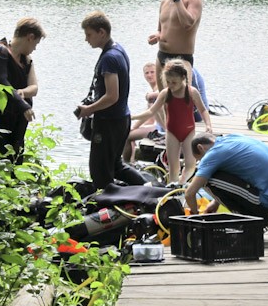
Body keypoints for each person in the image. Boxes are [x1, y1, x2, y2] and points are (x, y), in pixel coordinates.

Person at [74, 10, 145, 191]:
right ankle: (147, 189)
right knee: (115, 166)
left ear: (102, 33)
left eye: (89, 34)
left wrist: (89, 110)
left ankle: (107, 207)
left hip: (109, 122)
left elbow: (112, 96)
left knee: (100, 172)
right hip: (120, 119)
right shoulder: (118, 49)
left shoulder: (109, 58)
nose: (86, 39)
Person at [185, 133, 268, 229]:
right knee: (212, 172)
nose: (202, 162)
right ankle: (257, 220)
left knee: (206, 180)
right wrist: (215, 202)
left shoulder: (213, 153)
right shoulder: (233, 138)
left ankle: (250, 223)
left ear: (200, 148)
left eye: (200, 159)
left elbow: (189, 193)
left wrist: (195, 216)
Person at [131, 61, 212, 184]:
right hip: (172, 132)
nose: (170, 85)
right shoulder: (165, 93)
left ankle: (181, 183)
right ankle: (173, 187)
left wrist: (208, 125)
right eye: (167, 82)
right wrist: (132, 117)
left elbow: (203, 110)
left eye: (174, 82)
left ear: (183, 78)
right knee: (173, 167)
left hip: (188, 131)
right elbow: (151, 111)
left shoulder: (192, 92)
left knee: (190, 164)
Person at [0, 17, 45, 164]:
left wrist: (21, 93)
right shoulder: (0, 52)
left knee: (15, 164)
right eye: (36, 43)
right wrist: (23, 105)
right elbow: (1, 82)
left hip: (16, 125)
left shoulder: (26, 60)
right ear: (30, 37)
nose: (35, 48)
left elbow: (34, 88)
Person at [147, 0, 202, 90]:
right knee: (164, 101)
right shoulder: (164, 2)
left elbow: (187, 23)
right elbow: (160, 29)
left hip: (181, 59)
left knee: (181, 102)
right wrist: (156, 36)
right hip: (161, 56)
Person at [123, 62, 163, 162]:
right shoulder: (154, 89)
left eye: (152, 72)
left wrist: (134, 127)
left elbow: (150, 113)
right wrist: (135, 128)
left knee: (126, 136)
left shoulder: (156, 92)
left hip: (161, 129)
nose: (149, 75)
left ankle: (127, 164)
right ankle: (132, 162)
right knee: (131, 132)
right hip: (156, 125)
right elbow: (150, 119)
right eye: (147, 73)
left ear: (158, 73)